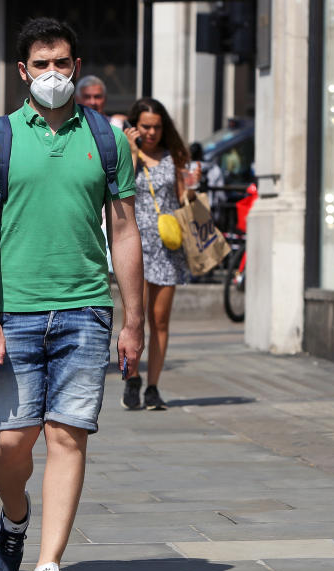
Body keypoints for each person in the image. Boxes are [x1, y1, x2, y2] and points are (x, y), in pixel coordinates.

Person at [0, 17, 145, 571]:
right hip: (12, 316)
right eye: (41, 64)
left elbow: (124, 230)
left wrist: (132, 320)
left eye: (62, 63)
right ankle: (15, 515)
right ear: (23, 71)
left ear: (76, 63)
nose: (53, 74)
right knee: (12, 440)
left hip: (85, 311)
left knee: (68, 436)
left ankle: (47, 567)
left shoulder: (108, 139)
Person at [121, 98, 192, 411]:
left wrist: (191, 187)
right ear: (136, 126)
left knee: (159, 321)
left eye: (157, 127)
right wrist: (132, 152)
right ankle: (130, 379)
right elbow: (119, 187)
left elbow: (182, 199)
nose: (151, 133)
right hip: (134, 245)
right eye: (145, 127)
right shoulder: (128, 153)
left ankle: (152, 386)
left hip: (166, 246)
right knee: (133, 319)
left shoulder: (173, 156)